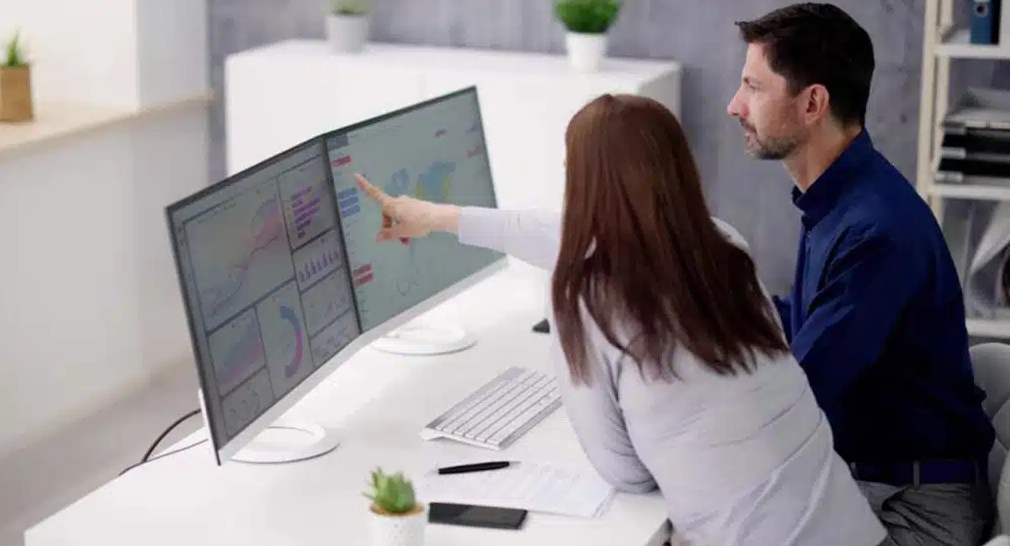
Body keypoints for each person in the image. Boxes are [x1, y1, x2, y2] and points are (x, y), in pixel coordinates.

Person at [353, 93, 887, 545]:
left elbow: (626, 474)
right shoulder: (724, 246)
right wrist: (442, 218)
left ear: (583, 184)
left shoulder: (585, 298)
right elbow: (569, 233)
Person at [726, 2, 996, 545]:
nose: (735, 106)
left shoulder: (874, 231)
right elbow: (804, 326)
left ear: (812, 103)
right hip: (875, 485)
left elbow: (799, 397)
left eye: (753, 87)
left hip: (914, 514)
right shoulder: (840, 199)